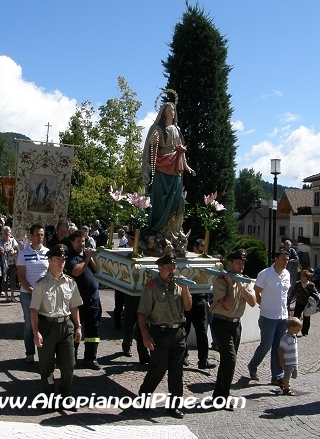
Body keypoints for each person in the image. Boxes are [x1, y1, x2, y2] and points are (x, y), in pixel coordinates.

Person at [138, 253, 192, 419]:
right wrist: (145, 335)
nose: (172, 271)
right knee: (159, 368)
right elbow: (141, 313)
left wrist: (185, 289)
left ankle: (173, 406)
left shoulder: (178, 285)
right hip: (159, 333)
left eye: (173, 268)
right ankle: (144, 394)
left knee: (177, 371)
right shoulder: (152, 287)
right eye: (169, 268)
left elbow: (188, 308)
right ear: (160, 268)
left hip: (178, 333)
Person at [30, 245, 83, 407]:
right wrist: (36, 332)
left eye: (63, 259)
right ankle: (48, 396)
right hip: (47, 326)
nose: (61, 263)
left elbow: (74, 306)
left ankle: (66, 395)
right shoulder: (41, 284)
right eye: (57, 259)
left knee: (69, 365)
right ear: (50, 261)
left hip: (66, 326)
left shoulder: (70, 283)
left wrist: (78, 326)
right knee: (46, 366)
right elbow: (34, 311)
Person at [141, 101, 195, 239]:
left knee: (178, 199)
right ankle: (158, 231)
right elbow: (149, 148)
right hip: (161, 168)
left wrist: (187, 166)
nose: (172, 112)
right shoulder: (157, 128)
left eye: (173, 110)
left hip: (175, 167)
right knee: (160, 202)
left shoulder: (177, 129)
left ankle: (174, 231)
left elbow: (181, 150)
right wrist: (154, 142)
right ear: (163, 112)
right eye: (169, 110)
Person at [209, 249, 256, 403]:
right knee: (230, 360)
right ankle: (224, 396)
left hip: (236, 325)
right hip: (221, 323)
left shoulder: (244, 280)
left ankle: (218, 396)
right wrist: (230, 284)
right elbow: (228, 305)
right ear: (230, 263)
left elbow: (252, 302)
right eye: (238, 263)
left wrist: (241, 286)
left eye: (242, 264)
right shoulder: (221, 281)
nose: (241, 266)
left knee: (226, 362)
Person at [247, 249, 291, 386]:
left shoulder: (287, 274)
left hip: (282, 317)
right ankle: (253, 365)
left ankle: (277, 375)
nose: (285, 262)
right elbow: (256, 292)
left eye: (287, 259)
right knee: (266, 345)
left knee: (278, 347)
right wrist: (263, 305)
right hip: (268, 317)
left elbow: (285, 296)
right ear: (276, 259)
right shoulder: (265, 274)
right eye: (283, 259)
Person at [66, 230, 102, 370]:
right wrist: (86, 259)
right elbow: (76, 271)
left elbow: (98, 270)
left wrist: (90, 257)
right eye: (79, 242)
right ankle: (71, 358)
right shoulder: (71, 256)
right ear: (72, 242)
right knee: (76, 329)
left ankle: (90, 358)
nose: (82, 244)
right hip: (78, 301)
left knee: (93, 331)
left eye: (83, 241)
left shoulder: (86, 255)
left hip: (94, 300)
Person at [17, 223, 49, 363]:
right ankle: (30, 352)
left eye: (42, 235)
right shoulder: (23, 253)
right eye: (37, 235)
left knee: (45, 322)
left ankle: (44, 351)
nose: (40, 237)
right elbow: (21, 276)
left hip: (44, 294)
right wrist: (31, 290)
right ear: (31, 236)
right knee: (30, 324)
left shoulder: (47, 252)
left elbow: (49, 273)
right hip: (27, 294)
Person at [287, 269, 319, 336]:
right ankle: (294, 331)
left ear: (307, 277)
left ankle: (305, 332)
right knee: (296, 317)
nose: (301, 277)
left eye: (303, 276)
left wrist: (315, 303)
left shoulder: (311, 285)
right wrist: (288, 301)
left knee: (306, 318)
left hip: (307, 304)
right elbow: (292, 293)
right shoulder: (297, 284)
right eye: (301, 275)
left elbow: (316, 294)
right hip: (299, 302)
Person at [279, 317, 302, 396]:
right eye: (298, 329)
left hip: (293, 360)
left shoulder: (293, 336)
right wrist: (281, 359)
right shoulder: (286, 338)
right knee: (287, 375)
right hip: (288, 361)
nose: (299, 330)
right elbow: (281, 349)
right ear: (292, 328)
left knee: (293, 374)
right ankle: (286, 389)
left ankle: (282, 380)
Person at [1, 226, 19, 302]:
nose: (7, 233)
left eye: (8, 232)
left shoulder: (12, 240)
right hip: (4, 263)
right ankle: (6, 295)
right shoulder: (0, 241)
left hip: (12, 263)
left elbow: (17, 249)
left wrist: (13, 252)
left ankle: (12, 295)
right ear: (3, 233)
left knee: (12, 279)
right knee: (4, 279)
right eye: (5, 232)